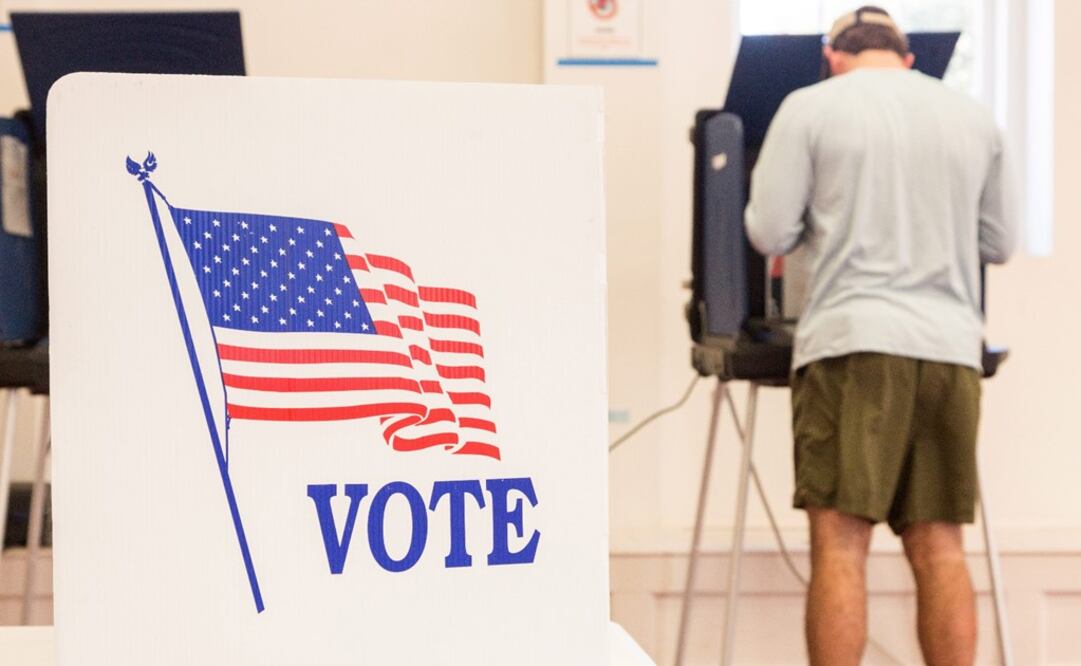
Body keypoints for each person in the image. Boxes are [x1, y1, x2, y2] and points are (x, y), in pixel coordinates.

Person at [744, 6, 1017, 666]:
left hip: (851, 341)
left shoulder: (810, 107)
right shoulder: (972, 118)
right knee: (940, 545)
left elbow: (767, 231)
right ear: (907, 58)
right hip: (949, 349)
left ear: (832, 55)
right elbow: (998, 242)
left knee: (840, 543)